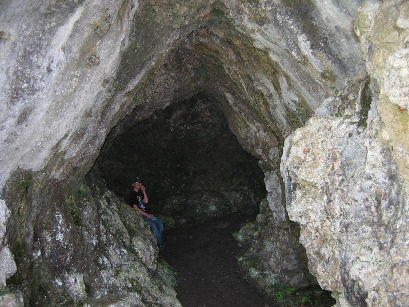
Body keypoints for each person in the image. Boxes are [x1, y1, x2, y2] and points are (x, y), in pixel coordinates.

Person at [129, 177, 164, 249]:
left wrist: (144, 191)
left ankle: (158, 240)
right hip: (140, 215)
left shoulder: (140, 193)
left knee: (160, 223)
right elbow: (135, 208)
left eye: (139, 182)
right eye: (136, 182)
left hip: (146, 214)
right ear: (133, 185)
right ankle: (160, 246)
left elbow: (146, 201)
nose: (138, 183)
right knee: (154, 226)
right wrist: (146, 215)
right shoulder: (132, 194)